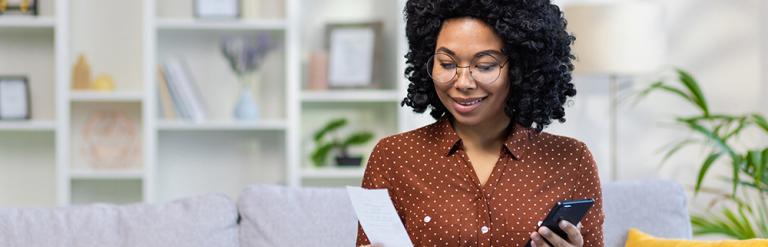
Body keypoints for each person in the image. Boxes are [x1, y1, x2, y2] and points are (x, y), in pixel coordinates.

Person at [357, 0, 604, 246]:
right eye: (447, 63)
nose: (463, 82)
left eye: (485, 66)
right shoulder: (394, 157)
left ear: (521, 69)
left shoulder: (572, 161)